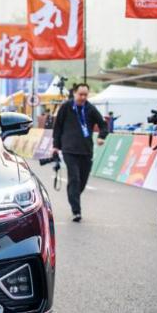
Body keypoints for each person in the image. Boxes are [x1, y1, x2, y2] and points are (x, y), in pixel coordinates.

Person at [52, 83, 108, 222]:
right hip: (69, 150)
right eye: (80, 94)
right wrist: (55, 146)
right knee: (75, 179)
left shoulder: (90, 109)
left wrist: (101, 136)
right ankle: (76, 211)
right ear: (74, 93)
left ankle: (73, 195)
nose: (83, 97)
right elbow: (57, 127)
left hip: (86, 150)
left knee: (81, 182)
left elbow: (103, 124)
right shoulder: (66, 107)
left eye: (85, 95)